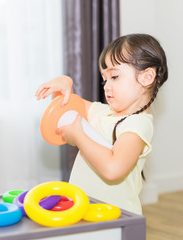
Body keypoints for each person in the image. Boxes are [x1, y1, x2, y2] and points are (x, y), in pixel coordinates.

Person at [35, 33, 168, 215]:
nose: (105, 86)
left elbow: (113, 169)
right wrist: (64, 84)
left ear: (146, 77)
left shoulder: (138, 125)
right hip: (84, 210)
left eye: (114, 76)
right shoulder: (103, 112)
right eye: (104, 79)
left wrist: (79, 136)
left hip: (116, 217)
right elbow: (68, 108)